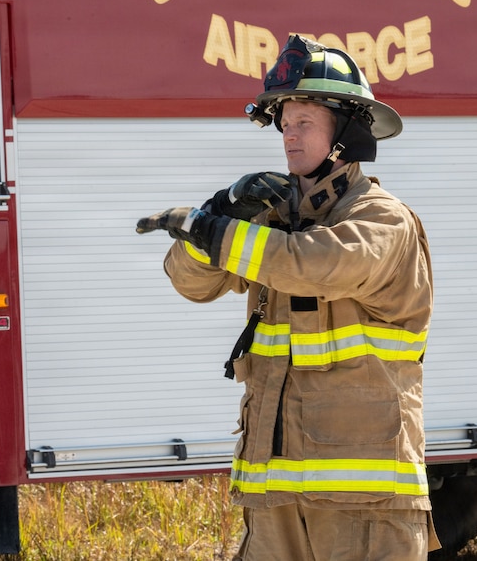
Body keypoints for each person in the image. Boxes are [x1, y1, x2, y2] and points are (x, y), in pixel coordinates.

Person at [136, 34, 437, 560]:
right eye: (285, 123)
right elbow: (190, 283)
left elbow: (311, 265)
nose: (288, 138)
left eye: (304, 123)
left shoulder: (382, 220)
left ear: (344, 134)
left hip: (366, 503)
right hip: (275, 497)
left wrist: (213, 232)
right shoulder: (270, 225)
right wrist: (223, 211)